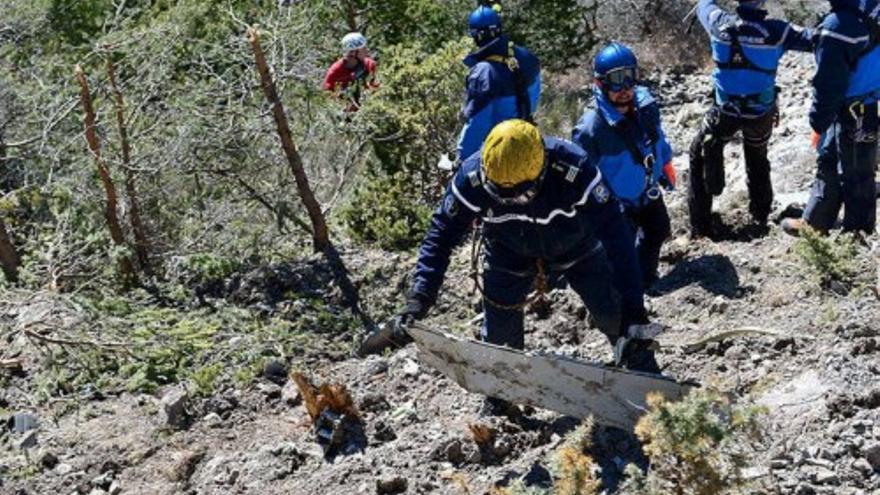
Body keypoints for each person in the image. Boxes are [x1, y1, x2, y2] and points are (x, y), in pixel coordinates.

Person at [358, 120, 663, 383]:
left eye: (521, 194)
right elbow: (439, 238)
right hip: (509, 252)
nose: (514, 201)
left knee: (616, 314)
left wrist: (634, 308)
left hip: (578, 247)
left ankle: (645, 375)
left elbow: (618, 239)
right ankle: (501, 396)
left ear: (541, 170)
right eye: (502, 195)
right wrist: (419, 299)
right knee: (500, 342)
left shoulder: (574, 168)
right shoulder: (471, 179)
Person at [688, 0, 814, 238]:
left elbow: (703, 4)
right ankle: (760, 213)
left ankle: (700, 227)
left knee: (699, 152)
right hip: (759, 113)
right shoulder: (778, 31)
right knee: (757, 156)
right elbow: (815, 39)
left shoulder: (717, 23)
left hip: (724, 112)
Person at [572, 42, 675, 287]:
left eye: (629, 77)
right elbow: (581, 177)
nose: (625, 88)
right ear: (600, 83)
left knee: (658, 231)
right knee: (620, 253)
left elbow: (657, 139)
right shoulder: (590, 128)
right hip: (616, 205)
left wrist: (665, 165)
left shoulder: (645, 107)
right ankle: (624, 292)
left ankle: (646, 279)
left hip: (647, 191)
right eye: (616, 80)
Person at [781, 0, 880, 236]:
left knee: (857, 174)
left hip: (856, 108)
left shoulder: (838, 26)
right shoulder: (867, 10)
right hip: (859, 105)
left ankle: (858, 235)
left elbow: (828, 84)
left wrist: (818, 121)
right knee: (829, 162)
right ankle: (815, 222)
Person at [455, 4, 541, 163]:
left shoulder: (483, 73)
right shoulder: (527, 57)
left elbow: (477, 125)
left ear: (475, 36)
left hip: (499, 152)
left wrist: (461, 161)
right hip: (528, 139)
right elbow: (533, 101)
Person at [322, 32, 379, 112]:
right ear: (353, 53)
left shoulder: (370, 65)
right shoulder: (335, 71)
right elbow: (327, 94)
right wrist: (343, 105)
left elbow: (378, 88)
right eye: (363, 48)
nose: (366, 51)